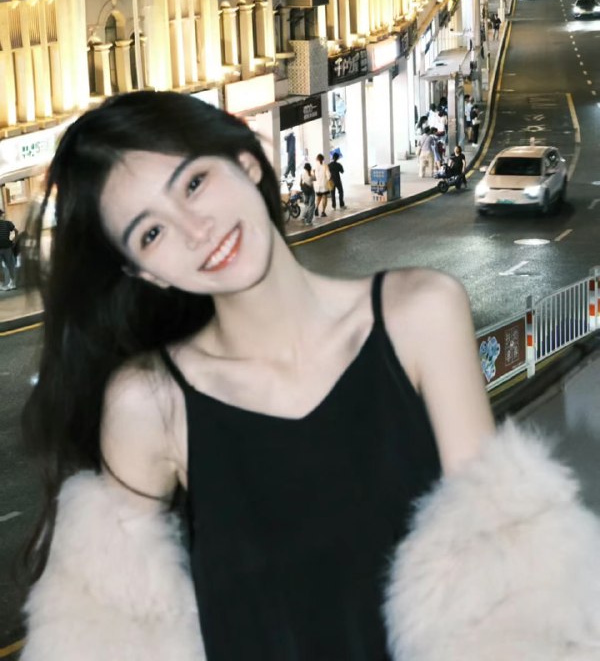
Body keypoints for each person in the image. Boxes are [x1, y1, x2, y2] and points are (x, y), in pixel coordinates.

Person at [20, 91, 600, 661]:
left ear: (246, 162)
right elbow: (109, 634)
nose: (196, 230)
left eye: (194, 184)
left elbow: (508, 569)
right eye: (152, 233)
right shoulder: (150, 404)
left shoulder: (420, 315)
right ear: (145, 273)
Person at [0, 208, 18, 290]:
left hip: (4, 247)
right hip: (7, 246)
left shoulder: (7, 223)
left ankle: (2, 285)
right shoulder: (8, 223)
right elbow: (16, 231)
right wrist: (14, 241)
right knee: (10, 265)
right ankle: (12, 283)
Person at [313, 152, 330, 217]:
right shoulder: (325, 166)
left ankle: (316, 208)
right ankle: (323, 212)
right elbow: (328, 176)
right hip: (324, 185)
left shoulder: (315, 166)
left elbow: (313, 176)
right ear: (323, 159)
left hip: (317, 186)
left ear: (317, 159)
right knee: (324, 198)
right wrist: (328, 179)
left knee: (318, 197)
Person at [300, 161, 316, 225]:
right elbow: (315, 179)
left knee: (306, 204)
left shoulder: (302, 174)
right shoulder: (311, 175)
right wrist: (314, 172)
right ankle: (308, 221)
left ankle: (303, 216)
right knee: (311, 206)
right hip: (311, 191)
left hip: (305, 191)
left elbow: (301, 182)